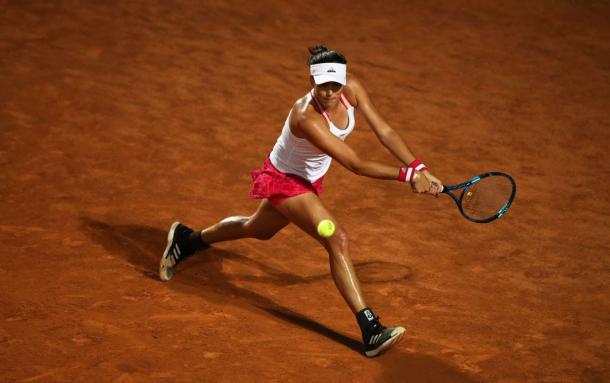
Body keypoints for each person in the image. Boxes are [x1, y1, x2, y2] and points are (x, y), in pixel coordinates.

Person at [159, 45, 443, 357]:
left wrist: (420, 168)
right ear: (312, 81)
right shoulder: (306, 117)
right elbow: (356, 164)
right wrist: (406, 177)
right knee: (337, 239)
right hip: (285, 180)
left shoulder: (354, 90)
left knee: (258, 228)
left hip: (308, 180)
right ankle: (371, 329)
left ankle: (189, 239)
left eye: (335, 84)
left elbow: (385, 131)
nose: (330, 92)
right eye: (323, 85)